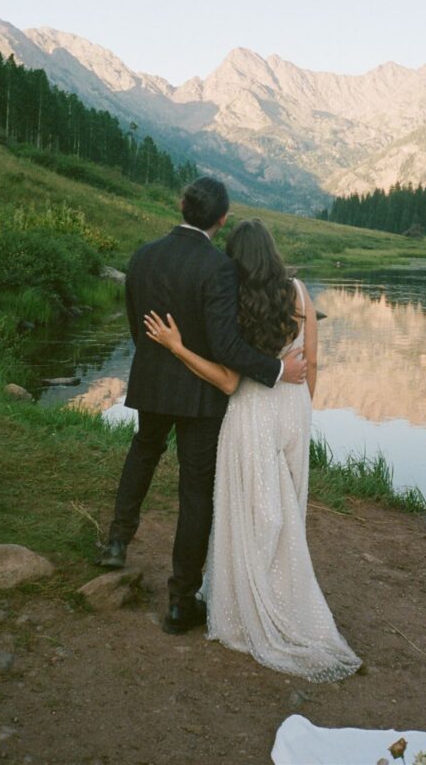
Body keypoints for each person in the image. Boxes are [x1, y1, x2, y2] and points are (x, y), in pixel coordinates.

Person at [144, 219, 361, 682]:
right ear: (273, 252)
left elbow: (226, 380)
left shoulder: (235, 303)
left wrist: (177, 347)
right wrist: (302, 410)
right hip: (295, 410)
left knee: (252, 510)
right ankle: (285, 591)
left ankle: (250, 603)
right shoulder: (301, 293)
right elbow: (314, 361)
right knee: (285, 510)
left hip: (252, 413)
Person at [95, 178, 307, 637]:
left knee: (143, 452)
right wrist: (275, 370)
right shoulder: (219, 268)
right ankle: (179, 601)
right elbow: (228, 346)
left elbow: (137, 324)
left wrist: (157, 362)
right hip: (201, 395)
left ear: (181, 205)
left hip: (152, 381)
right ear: (222, 219)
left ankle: (115, 542)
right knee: (195, 492)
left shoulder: (143, 255)